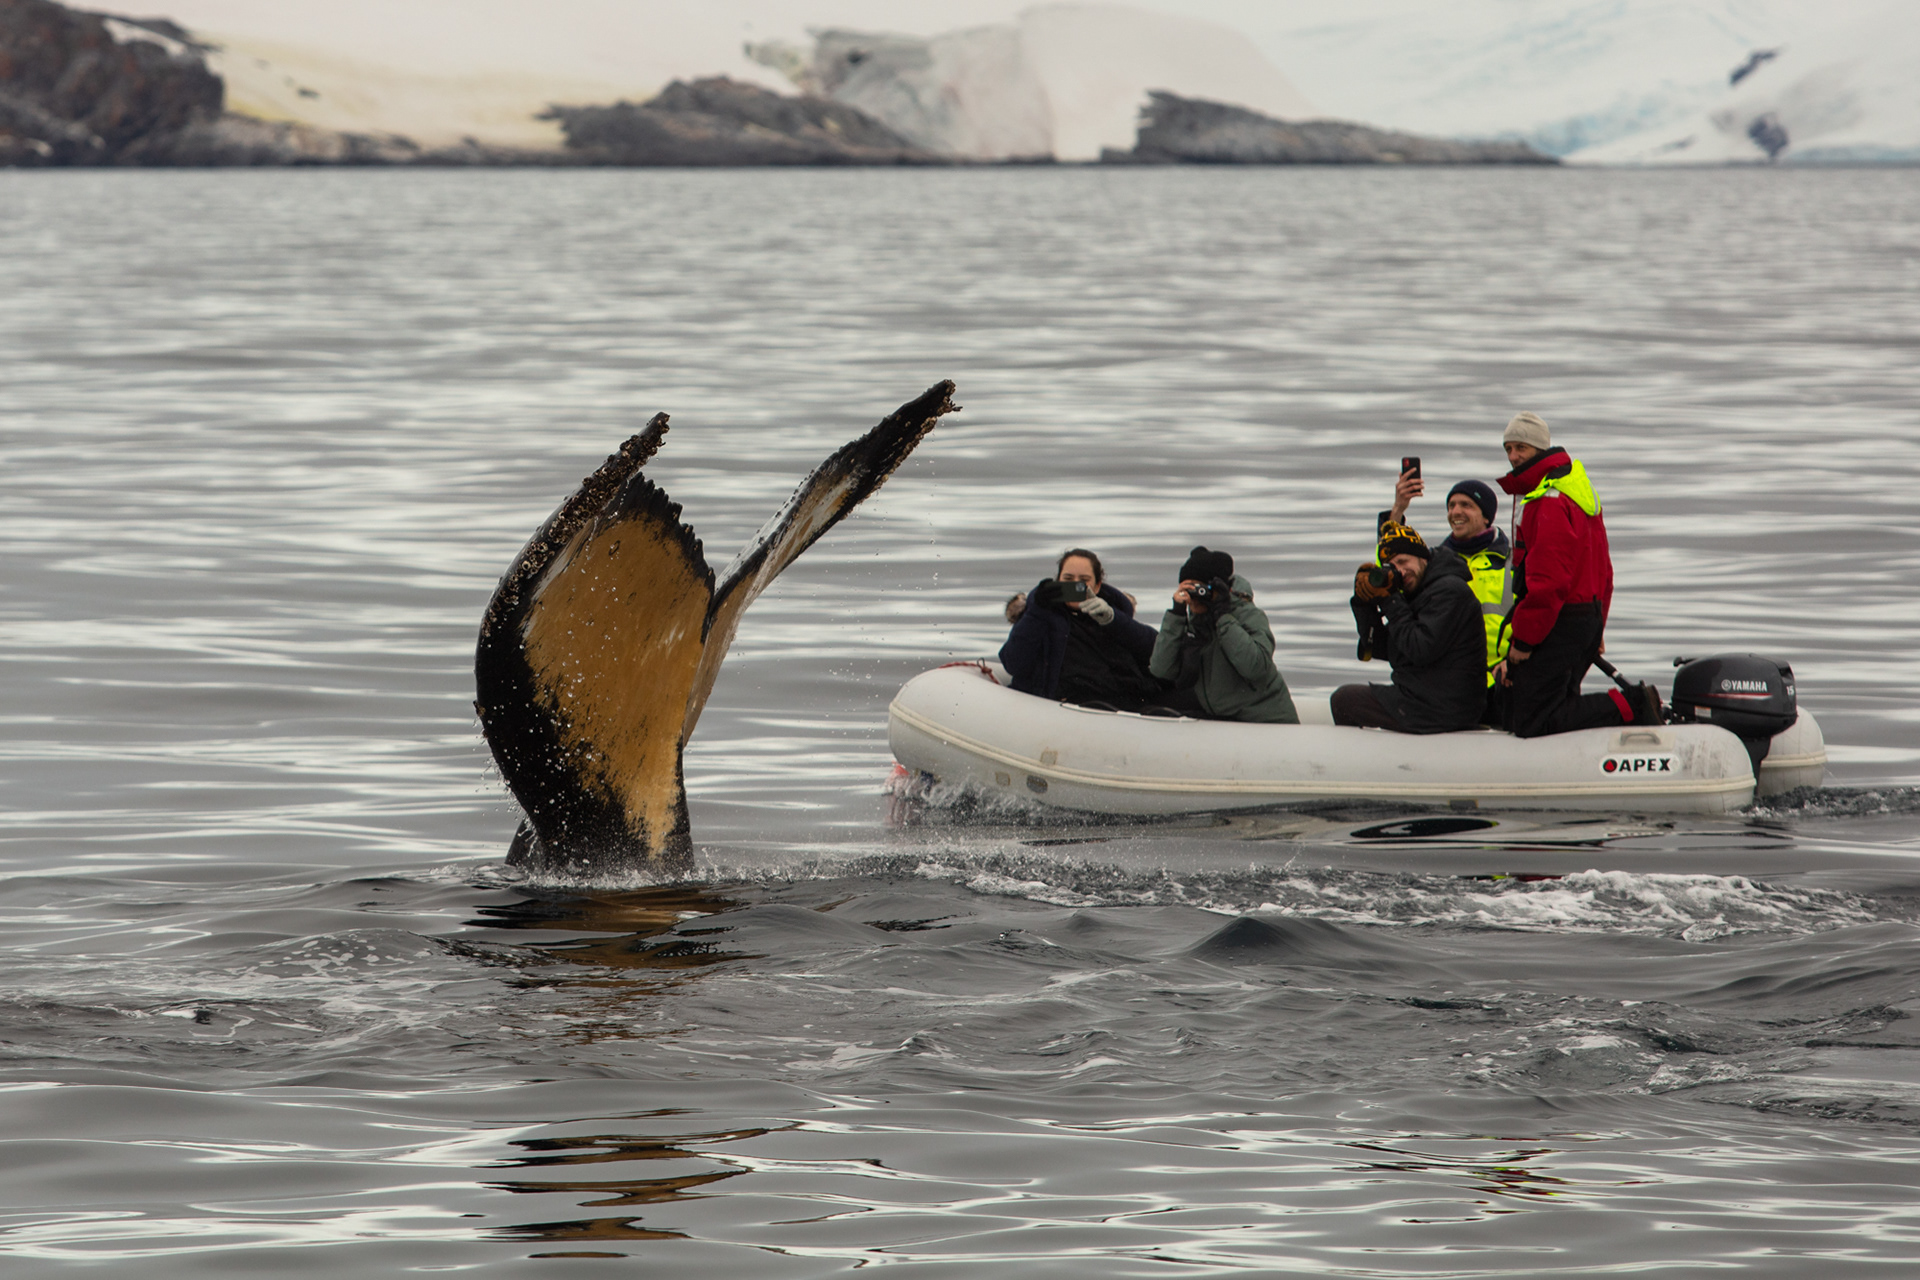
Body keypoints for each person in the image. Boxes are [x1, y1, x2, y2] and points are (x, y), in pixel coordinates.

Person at [1494, 412, 1661, 736]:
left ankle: (1632, 703)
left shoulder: (1550, 501)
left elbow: (1549, 582)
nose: (1513, 456)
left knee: (1532, 719)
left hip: (1562, 619)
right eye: (1508, 448)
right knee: (1553, 702)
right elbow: (1604, 572)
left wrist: (1524, 640)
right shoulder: (1577, 492)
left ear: (1540, 449)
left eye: (1521, 448)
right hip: (1584, 615)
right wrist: (1598, 625)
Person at [1334, 523, 1487, 733]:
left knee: (1345, 700)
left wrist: (1391, 601)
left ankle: (1352, 763)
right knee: (1347, 697)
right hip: (1424, 700)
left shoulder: (1449, 590)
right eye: (1392, 566)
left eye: (1403, 561)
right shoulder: (1418, 591)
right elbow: (1380, 648)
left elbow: (1419, 649)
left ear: (1422, 557)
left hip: (1444, 708)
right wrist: (1364, 603)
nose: (1400, 571)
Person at [1381, 465, 1511, 682]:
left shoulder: (1512, 563)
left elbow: (1534, 616)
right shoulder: (1435, 563)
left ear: (1487, 516)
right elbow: (1390, 569)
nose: (1455, 512)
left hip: (1500, 678)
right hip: (1449, 681)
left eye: (1466, 505)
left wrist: (1516, 661)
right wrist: (1398, 510)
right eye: (1451, 505)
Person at [1147, 547, 1299, 723]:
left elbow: (1256, 667)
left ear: (1217, 588)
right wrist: (1176, 614)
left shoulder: (1247, 614)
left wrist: (1223, 618)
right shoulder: (1193, 622)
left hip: (1266, 720)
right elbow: (1161, 669)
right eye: (1189, 589)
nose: (1194, 597)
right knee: (1156, 708)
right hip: (1226, 719)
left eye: (1200, 589)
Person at [999, 548, 1161, 711]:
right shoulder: (1041, 613)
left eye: (1084, 580)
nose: (1075, 585)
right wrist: (1037, 612)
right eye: (1068, 579)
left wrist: (1113, 620)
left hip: (1122, 703)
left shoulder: (1112, 612)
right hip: (1067, 705)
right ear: (1058, 581)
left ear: (1097, 586)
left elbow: (1157, 650)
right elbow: (1013, 664)